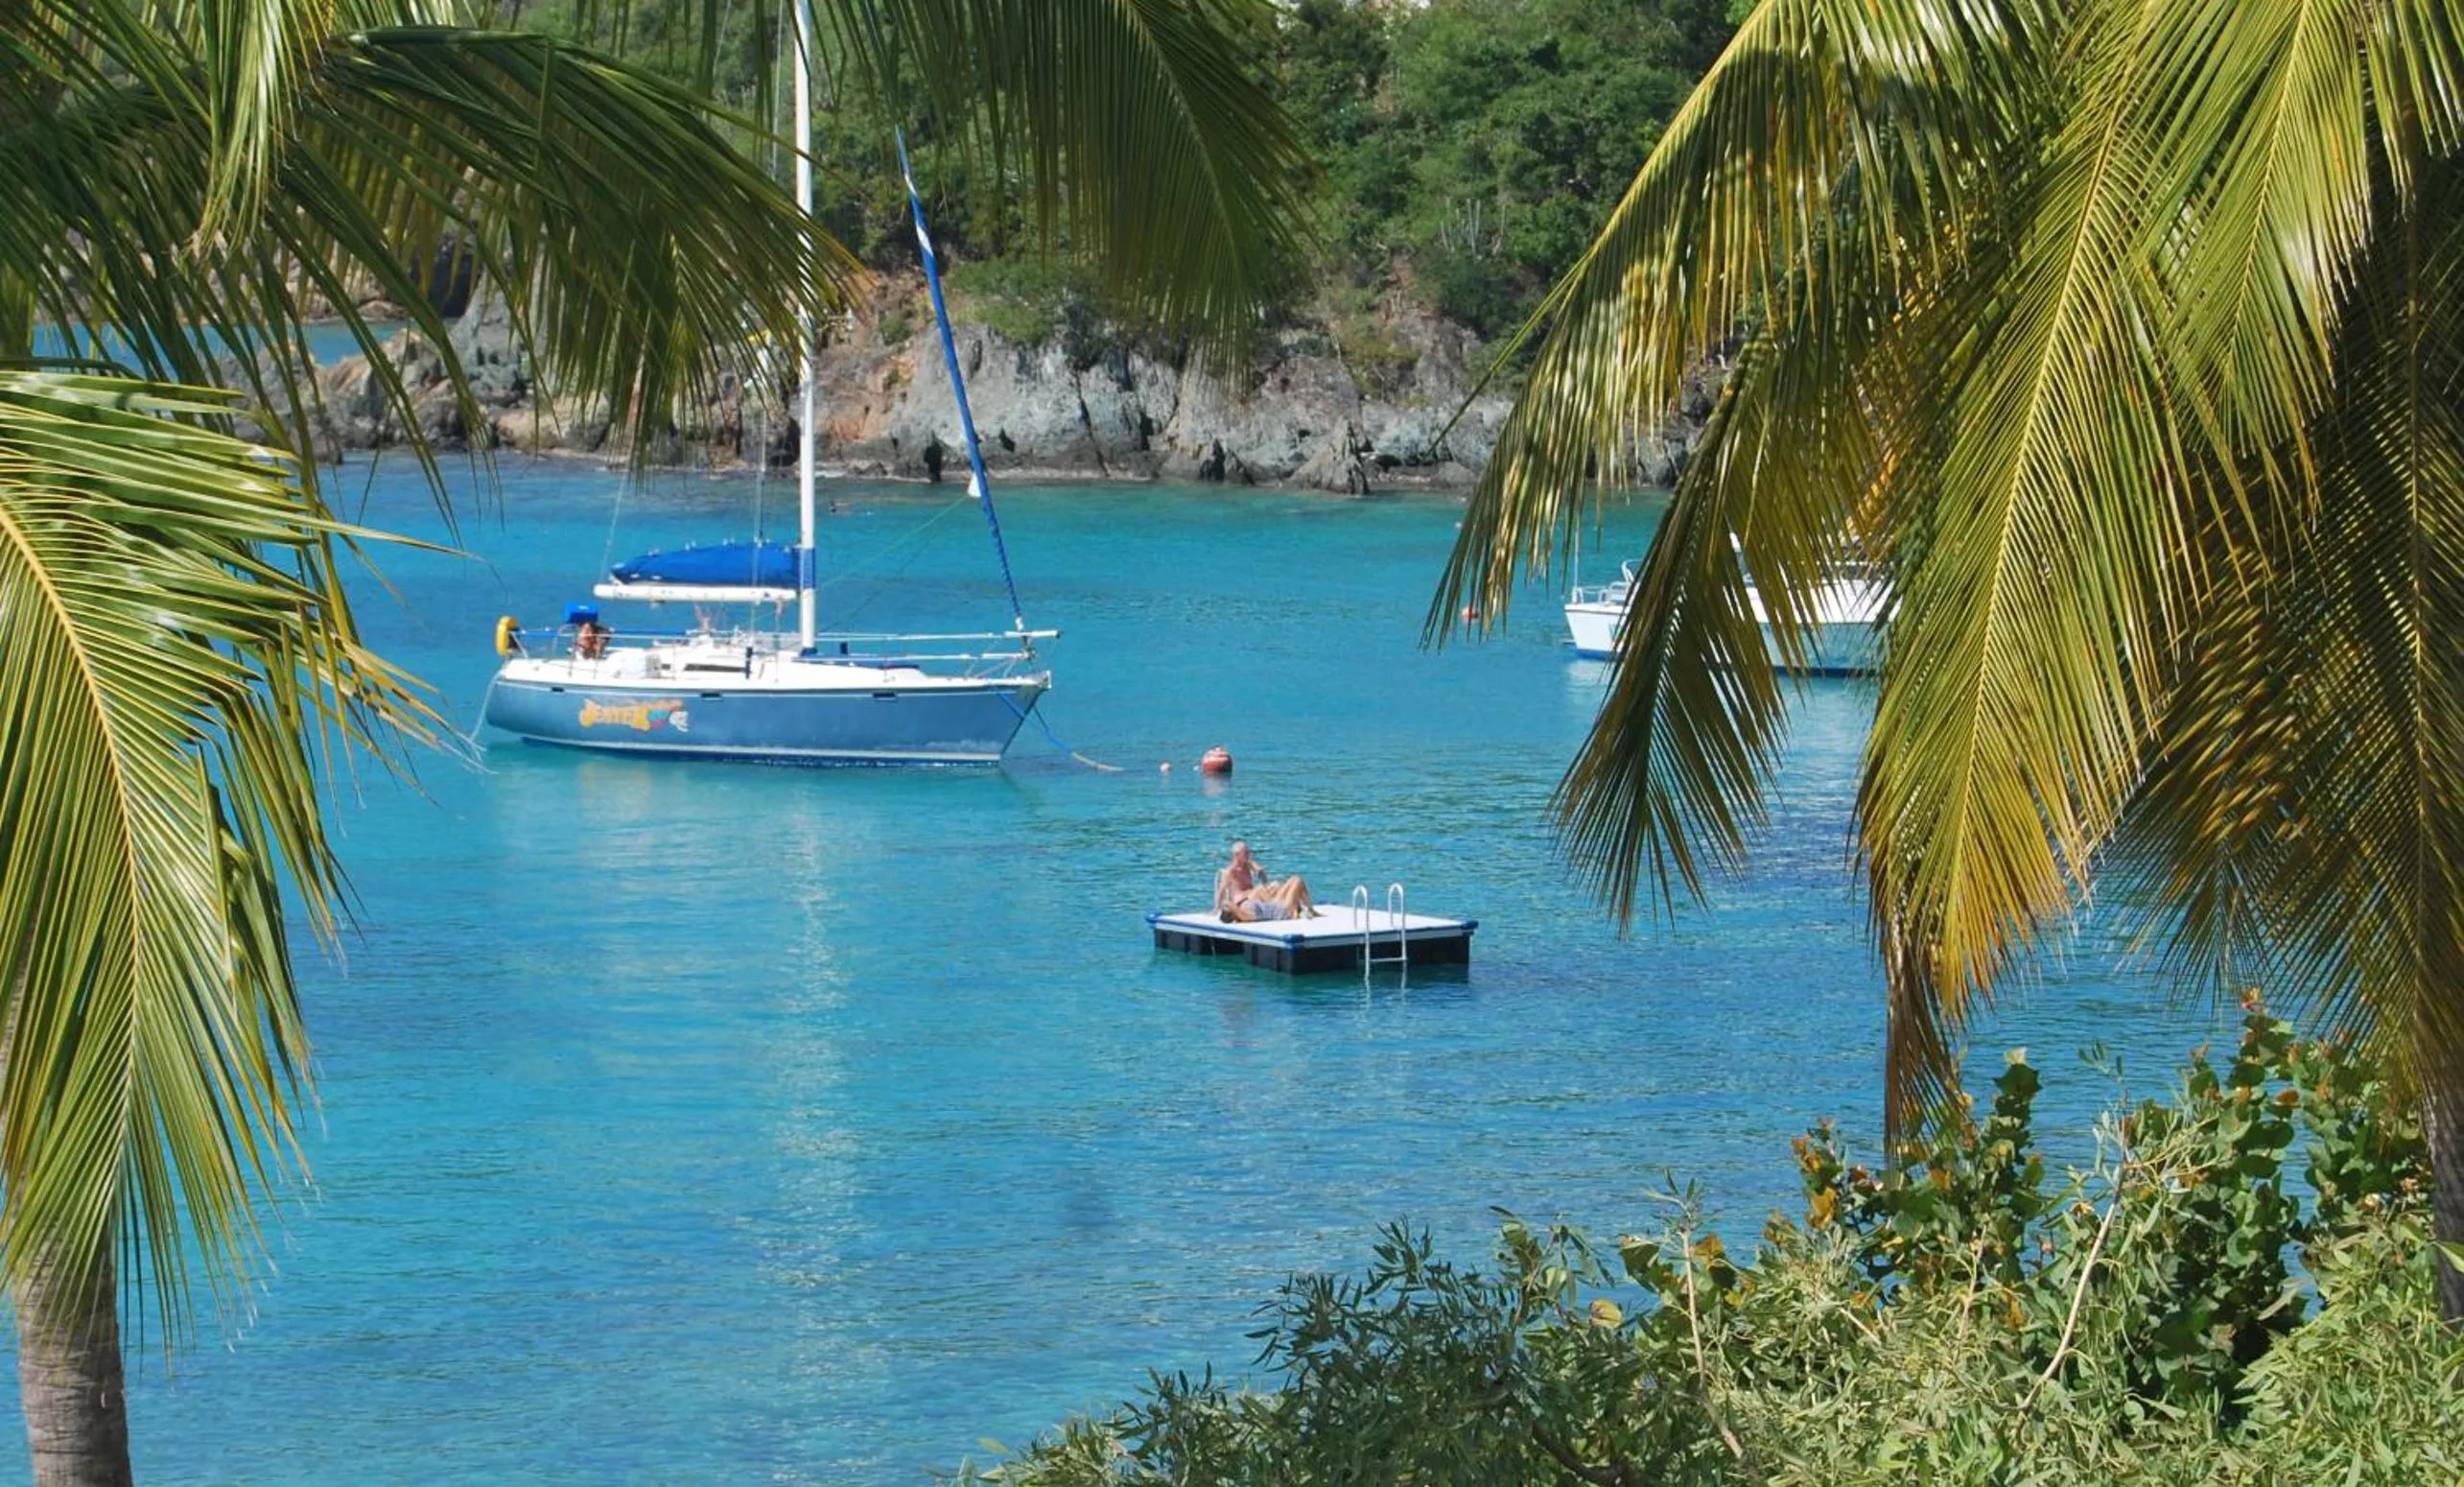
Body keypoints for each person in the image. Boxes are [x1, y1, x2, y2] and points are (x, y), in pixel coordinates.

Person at [1216, 839, 1317, 922]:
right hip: (1244, 900)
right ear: (1237, 855)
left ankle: (1306, 908)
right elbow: (1221, 891)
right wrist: (1216, 908)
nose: (1249, 855)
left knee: (1276, 885)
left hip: (1257, 900)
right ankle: (1296, 908)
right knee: (1262, 889)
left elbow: (1264, 881)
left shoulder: (1248, 865)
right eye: (1246, 853)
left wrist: (1260, 871)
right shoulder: (1229, 872)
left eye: (1248, 852)